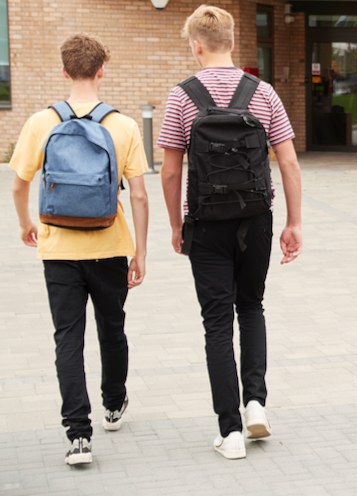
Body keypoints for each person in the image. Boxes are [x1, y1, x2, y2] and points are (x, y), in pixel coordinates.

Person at [158, 4, 303, 461]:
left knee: (217, 321)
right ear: (234, 42)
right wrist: (294, 223)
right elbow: (289, 163)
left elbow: (168, 171)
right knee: (252, 305)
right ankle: (256, 401)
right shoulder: (262, 93)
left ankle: (230, 431)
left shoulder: (182, 97)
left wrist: (175, 223)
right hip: (256, 218)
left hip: (205, 221)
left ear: (195, 45)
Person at [8, 34, 149, 466]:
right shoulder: (122, 126)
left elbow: (18, 184)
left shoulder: (39, 123)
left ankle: (79, 437)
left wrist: (27, 225)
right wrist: (139, 253)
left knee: (68, 338)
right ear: (102, 70)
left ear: (64, 71)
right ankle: (113, 403)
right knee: (112, 329)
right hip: (109, 248)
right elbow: (140, 196)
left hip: (58, 250)